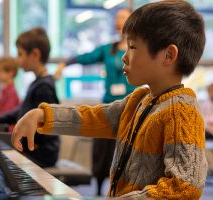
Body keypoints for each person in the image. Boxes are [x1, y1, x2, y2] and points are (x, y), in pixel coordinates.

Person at [12, 1, 207, 199]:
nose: (124, 56)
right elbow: (94, 117)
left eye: (132, 47)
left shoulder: (182, 112)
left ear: (168, 55)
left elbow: (184, 187)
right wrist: (43, 114)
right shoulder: (138, 100)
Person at [55, 8, 136, 195]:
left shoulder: (138, 49)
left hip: (130, 107)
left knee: (129, 151)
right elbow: (86, 57)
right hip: (109, 106)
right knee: (101, 148)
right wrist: (64, 64)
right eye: (117, 18)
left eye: (123, 18)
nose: (118, 22)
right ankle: (99, 189)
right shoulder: (108, 49)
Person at [0, 27, 60, 168]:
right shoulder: (37, 83)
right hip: (35, 148)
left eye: (20, 54)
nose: (17, 60)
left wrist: (13, 137)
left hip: (42, 153)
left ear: (35, 54)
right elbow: (22, 110)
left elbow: (45, 128)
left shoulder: (44, 87)